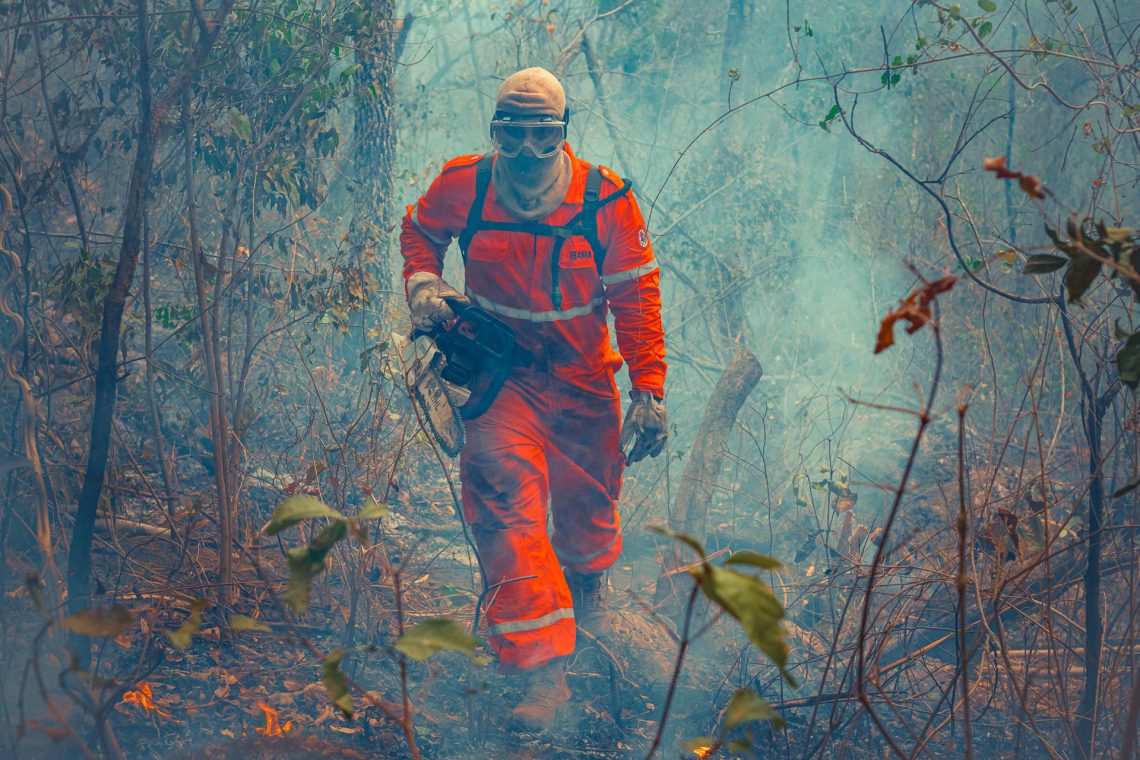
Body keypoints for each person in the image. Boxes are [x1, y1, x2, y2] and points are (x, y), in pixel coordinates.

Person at [399, 67, 668, 730]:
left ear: (563, 133)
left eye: (540, 135)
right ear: (493, 131)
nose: (524, 149)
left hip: (583, 379)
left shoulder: (606, 200)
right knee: (506, 510)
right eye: (510, 134)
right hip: (500, 376)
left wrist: (650, 391)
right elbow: (418, 233)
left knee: (588, 515)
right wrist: (425, 285)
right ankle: (540, 674)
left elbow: (636, 300)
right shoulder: (466, 182)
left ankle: (590, 615)